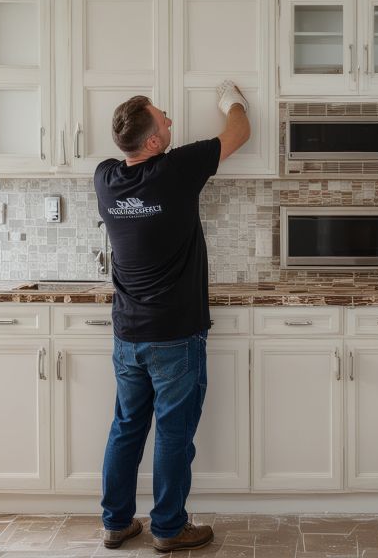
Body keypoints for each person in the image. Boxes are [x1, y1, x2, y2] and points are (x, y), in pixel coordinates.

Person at [94, 81, 250, 553]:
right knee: (174, 434)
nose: (170, 119)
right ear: (154, 141)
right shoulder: (176, 169)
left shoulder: (105, 177)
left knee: (126, 428)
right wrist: (232, 100)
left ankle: (116, 523)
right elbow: (238, 132)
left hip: (128, 336)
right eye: (163, 117)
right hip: (176, 336)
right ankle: (168, 528)